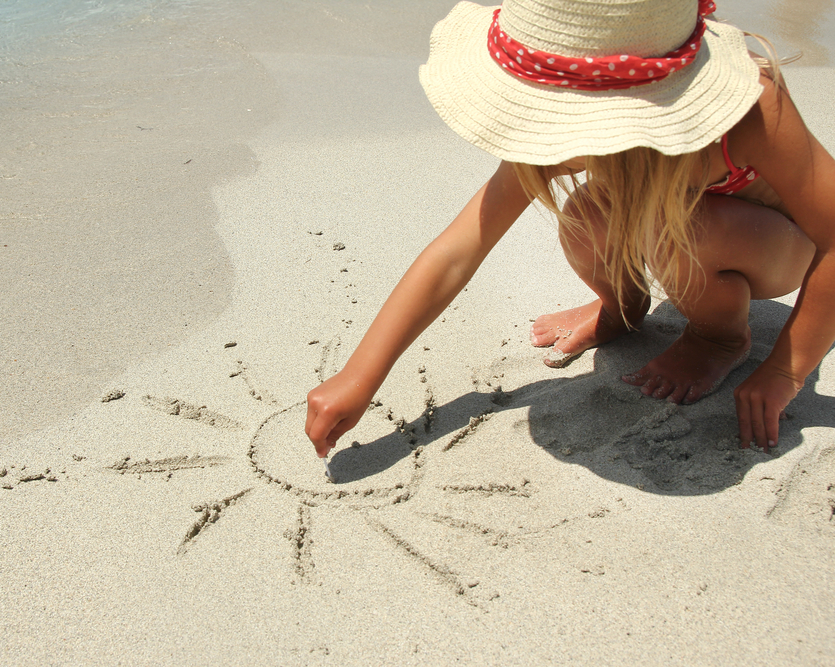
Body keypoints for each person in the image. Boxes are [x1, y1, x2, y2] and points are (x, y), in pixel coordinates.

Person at [305, 0, 835, 459]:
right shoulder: (558, 125)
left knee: (688, 230)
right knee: (585, 212)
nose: (549, 129)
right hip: (671, 222)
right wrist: (361, 376)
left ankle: (718, 337)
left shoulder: (749, 111)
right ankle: (621, 308)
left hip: (772, 247)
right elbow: (459, 249)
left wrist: (785, 372)